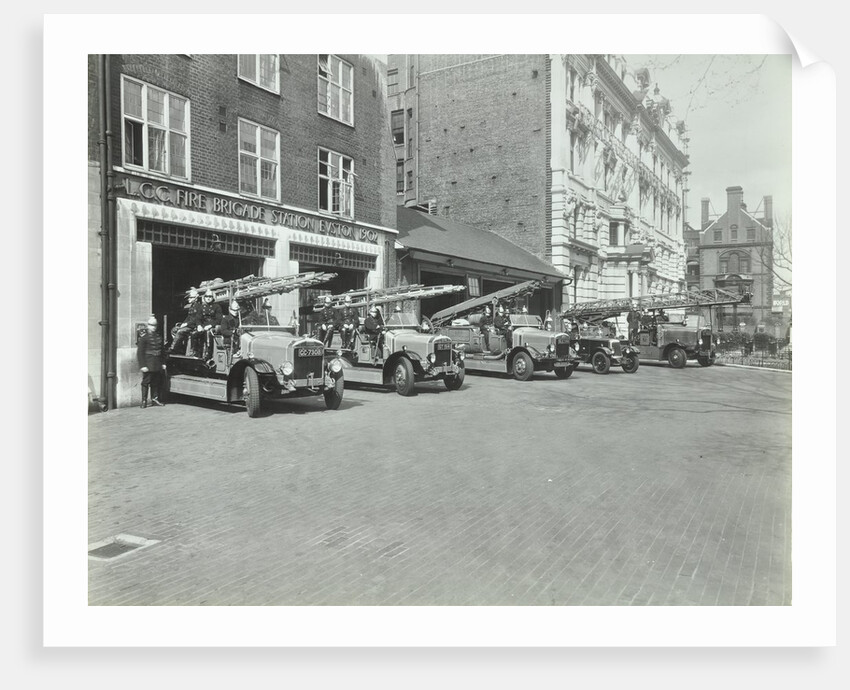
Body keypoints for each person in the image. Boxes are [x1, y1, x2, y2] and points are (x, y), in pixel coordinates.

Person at [137, 315, 166, 408]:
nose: (153, 327)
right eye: (151, 325)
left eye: (155, 326)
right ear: (148, 326)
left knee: (155, 382)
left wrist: (163, 363)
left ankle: (154, 399)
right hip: (148, 363)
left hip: (157, 362)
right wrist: (142, 365)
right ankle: (144, 401)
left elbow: (162, 351)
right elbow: (140, 353)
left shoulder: (158, 337)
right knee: (146, 382)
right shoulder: (144, 338)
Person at [169, 287, 202, 355]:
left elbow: (196, 319)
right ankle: (180, 348)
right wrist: (182, 324)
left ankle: (173, 349)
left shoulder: (199, 306)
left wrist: (186, 324)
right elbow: (188, 317)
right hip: (189, 325)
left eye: (191, 298)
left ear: (195, 298)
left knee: (180, 331)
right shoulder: (192, 306)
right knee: (174, 330)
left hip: (193, 326)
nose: (189, 299)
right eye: (189, 298)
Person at [192, 289, 223, 359]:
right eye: (206, 296)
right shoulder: (201, 307)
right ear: (204, 297)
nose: (208, 298)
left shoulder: (217, 307)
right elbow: (198, 318)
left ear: (213, 297)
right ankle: (196, 353)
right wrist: (199, 325)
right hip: (203, 326)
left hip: (213, 326)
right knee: (194, 334)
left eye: (210, 296)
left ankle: (208, 354)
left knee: (208, 333)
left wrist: (210, 325)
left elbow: (219, 319)